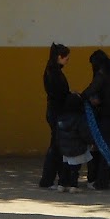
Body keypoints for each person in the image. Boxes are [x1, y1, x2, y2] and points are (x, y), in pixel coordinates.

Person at [83, 50, 110, 189]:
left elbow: (91, 90)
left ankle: (102, 181)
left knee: (104, 147)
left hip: (107, 114)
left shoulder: (101, 74)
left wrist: (80, 96)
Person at [38, 43, 72, 190]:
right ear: (59, 57)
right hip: (57, 112)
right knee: (56, 147)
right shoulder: (54, 73)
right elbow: (60, 94)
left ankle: (55, 178)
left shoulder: (52, 71)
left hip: (54, 111)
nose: (67, 61)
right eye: (66, 58)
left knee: (57, 145)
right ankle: (48, 179)